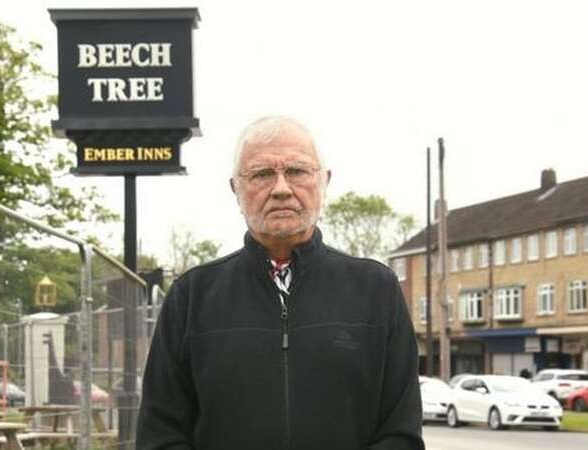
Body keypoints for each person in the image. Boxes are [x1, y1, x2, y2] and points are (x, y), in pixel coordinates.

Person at [136, 116, 424, 450]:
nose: (282, 188)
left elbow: (400, 433)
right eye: (262, 174)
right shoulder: (191, 297)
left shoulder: (376, 289)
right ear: (236, 189)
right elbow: (161, 434)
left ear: (324, 182)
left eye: (298, 171)